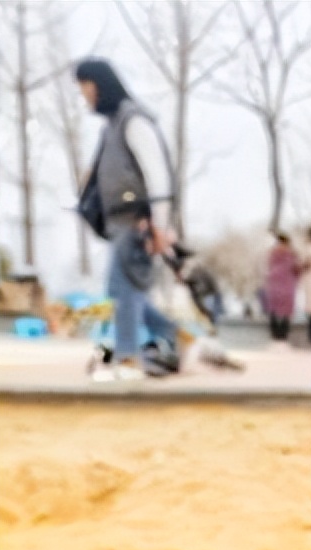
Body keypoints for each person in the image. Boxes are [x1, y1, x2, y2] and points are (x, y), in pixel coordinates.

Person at [75, 58, 180, 382]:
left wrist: (160, 226)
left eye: (86, 89)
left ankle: (128, 358)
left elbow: (157, 175)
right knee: (125, 289)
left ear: (100, 85)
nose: (85, 97)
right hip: (120, 223)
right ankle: (170, 334)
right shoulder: (112, 126)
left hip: (139, 223)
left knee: (125, 289)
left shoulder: (133, 120)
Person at [264, 232, 300, 345]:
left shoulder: (272, 253)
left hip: (274, 283)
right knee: (286, 311)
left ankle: (275, 335)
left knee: (273, 310)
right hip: (287, 284)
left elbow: (266, 267)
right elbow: (297, 269)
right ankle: (283, 336)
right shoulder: (292, 254)